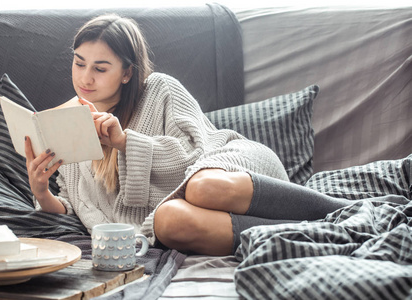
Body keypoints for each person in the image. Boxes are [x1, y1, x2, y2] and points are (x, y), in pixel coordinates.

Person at [25, 14, 356, 256]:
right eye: (79, 63)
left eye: (100, 68)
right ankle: (329, 233)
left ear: (127, 72)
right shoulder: (67, 125)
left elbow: (196, 153)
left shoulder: (160, 89)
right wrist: (41, 191)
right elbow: (76, 205)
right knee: (167, 223)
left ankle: (344, 210)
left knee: (200, 185)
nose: (85, 77)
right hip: (184, 210)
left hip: (230, 168)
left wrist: (125, 141)